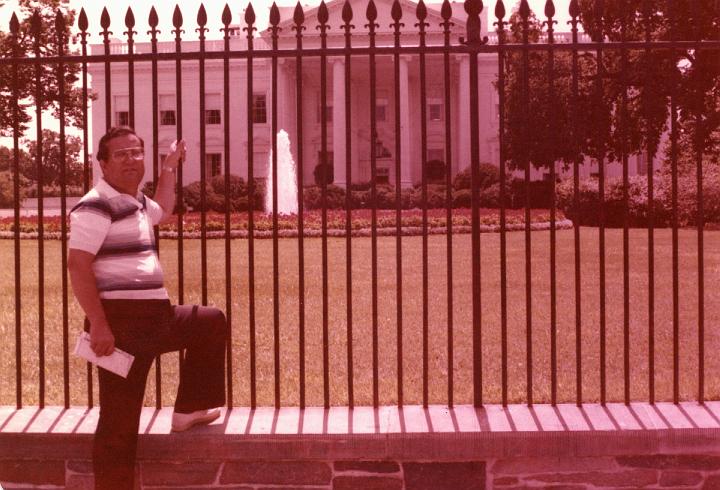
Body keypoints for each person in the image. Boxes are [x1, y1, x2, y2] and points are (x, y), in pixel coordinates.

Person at [67, 126, 227, 490]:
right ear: (102, 163)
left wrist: (169, 167)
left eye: (137, 152)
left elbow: (165, 209)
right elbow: (78, 265)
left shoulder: (136, 201)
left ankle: (189, 410)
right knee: (119, 425)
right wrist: (99, 326)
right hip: (120, 326)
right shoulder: (96, 204)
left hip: (158, 318)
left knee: (209, 322)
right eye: (121, 154)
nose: (131, 159)